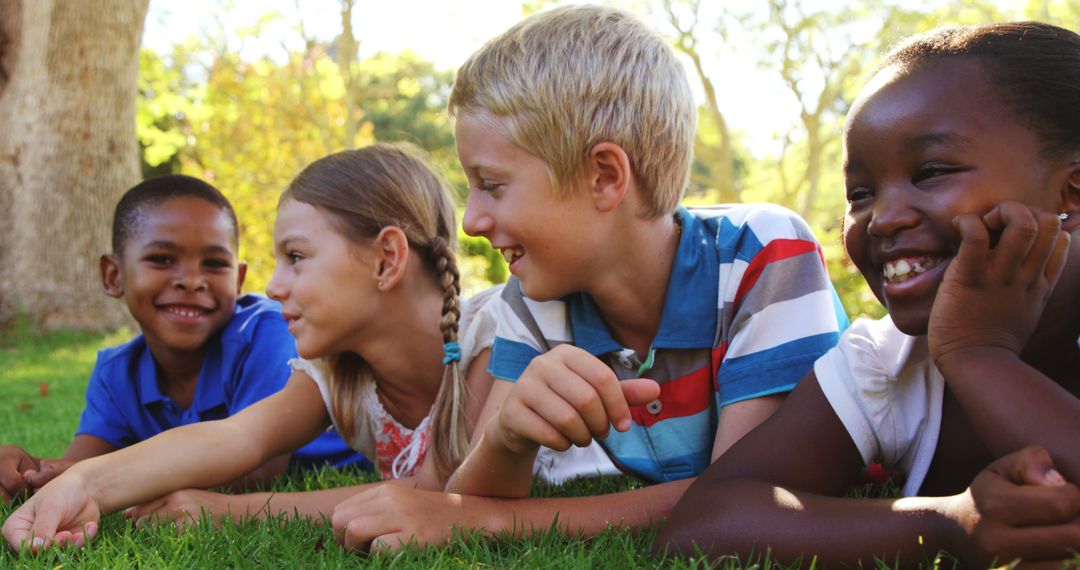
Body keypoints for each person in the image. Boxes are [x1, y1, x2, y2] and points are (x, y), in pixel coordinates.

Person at [327, 5, 848, 551]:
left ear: (604, 176)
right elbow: (476, 497)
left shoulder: (763, 253)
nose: (471, 221)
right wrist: (505, 439)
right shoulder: (535, 301)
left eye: (492, 184)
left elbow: (742, 498)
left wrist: (484, 522)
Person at [1, 143, 613, 551]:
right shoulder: (338, 372)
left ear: (386, 259)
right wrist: (87, 484)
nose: (271, 286)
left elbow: (430, 500)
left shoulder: (493, 335)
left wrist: (224, 511)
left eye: (296, 257)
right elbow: (232, 437)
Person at [656, 21, 1080, 568]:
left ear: (1071, 190)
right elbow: (700, 524)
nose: (881, 219)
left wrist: (980, 353)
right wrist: (949, 523)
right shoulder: (885, 364)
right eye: (861, 194)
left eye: (931, 171)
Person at [0, 175, 364, 504]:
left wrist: (108, 483)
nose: (191, 280)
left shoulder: (267, 333)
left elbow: (260, 469)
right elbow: (81, 463)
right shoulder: (118, 373)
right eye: (162, 259)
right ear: (113, 275)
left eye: (214, 264)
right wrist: (29, 471)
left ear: (238, 280)